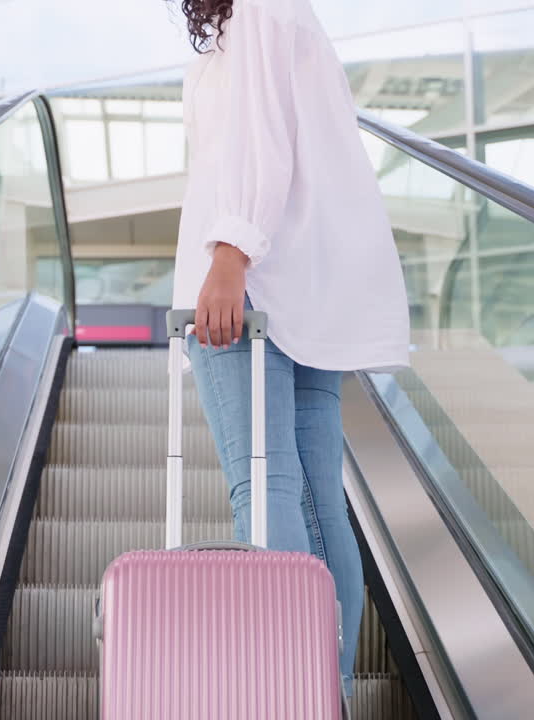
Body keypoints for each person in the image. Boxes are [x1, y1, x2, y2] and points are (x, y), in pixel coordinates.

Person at [169, 0, 412, 697]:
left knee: (267, 487)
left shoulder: (258, 9)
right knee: (314, 499)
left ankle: (286, 692)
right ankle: (320, 691)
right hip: (304, 286)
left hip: (248, 281)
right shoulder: (283, 12)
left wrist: (231, 252)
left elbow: (258, 138)